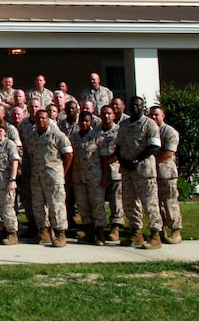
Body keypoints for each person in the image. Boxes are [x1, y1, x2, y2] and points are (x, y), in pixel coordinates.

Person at [112, 96, 163, 249]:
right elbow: (118, 146)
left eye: (138, 105)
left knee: (149, 203)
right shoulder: (124, 125)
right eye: (132, 105)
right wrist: (122, 161)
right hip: (127, 171)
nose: (135, 108)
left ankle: (155, 235)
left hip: (144, 170)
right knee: (129, 202)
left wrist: (136, 160)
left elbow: (153, 146)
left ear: (142, 107)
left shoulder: (149, 124)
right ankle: (136, 233)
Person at [28, 109, 73, 247]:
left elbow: (68, 154)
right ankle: (43, 231)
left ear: (49, 120)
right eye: (38, 118)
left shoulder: (58, 135)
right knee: (38, 205)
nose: (41, 120)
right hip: (37, 176)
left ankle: (60, 233)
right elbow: (31, 154)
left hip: (53, 177)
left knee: (56, 204)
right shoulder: (33, 136)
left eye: (43, 118)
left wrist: (62, 172)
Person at [69, 111, 106, 244]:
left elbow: (104, 158)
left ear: (91, 122)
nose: (84, 123)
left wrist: (105, 177)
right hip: (78, 177)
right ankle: (88, 233)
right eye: (82, 121)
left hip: (94, 176)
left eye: (87, 121)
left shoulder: (97, 136)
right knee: (82, 205)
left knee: (97, 205)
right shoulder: (73, 137)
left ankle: (100, 234)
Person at [149, 106, 183, 244]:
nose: (153, 117)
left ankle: (176, 231)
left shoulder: (169, 132)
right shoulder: (150, 131)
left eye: (156, 115)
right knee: (156, 204)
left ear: (163, 115)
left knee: (170, 202)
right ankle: (161, 231)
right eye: (151, 115)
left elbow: (169, 152)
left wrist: (152, 162)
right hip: (152, 174)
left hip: (167, 173)